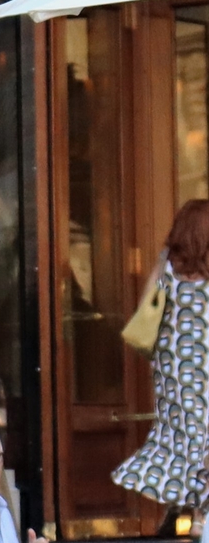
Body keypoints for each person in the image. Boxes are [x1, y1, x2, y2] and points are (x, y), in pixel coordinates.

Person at [111, 197, 209, 517]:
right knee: (202, 437)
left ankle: (183, 507)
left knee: (178, 435)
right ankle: (197, 513)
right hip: (205, 368)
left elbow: (146, 309)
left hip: (174, 368)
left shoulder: (167, 262)